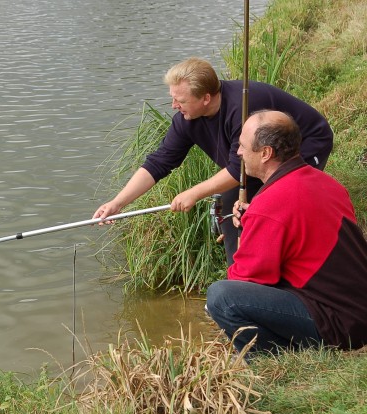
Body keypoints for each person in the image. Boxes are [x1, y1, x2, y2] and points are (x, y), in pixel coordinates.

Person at [93, 57, 334, 264]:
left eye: (181, 101)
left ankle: (288, 267)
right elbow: (159, 163)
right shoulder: (186, 119)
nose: (174, 106)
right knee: (232, 208)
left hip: (306, 143)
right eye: (172, 98)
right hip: (255, 160)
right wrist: (117, 203)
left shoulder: (242, 109)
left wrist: (194, 193)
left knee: (270, 204)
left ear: (206, 98)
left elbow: (236, 168)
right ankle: (239, 279)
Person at [205, 110, 367, 355]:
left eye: (242, 146)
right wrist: (256, 222)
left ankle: (271, 361)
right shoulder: (325, 182)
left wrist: (253, 227)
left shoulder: (270, 205)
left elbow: (244, 280)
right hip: (356, 308)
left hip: (340, 325)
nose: (238, 152)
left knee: (221, 297)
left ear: (266, 153)